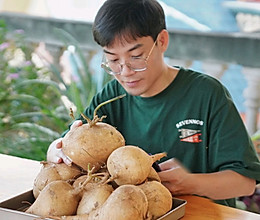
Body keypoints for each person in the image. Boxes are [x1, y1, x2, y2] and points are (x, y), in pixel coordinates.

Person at [47, 0, 260, 207]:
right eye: (113, 61)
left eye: (136, 56)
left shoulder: (208, 94)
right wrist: (57, 150)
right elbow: (65, 147)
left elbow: (245, 183)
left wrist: (190, 183)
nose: (125, 71)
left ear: (162, 41)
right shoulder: (113, 95)